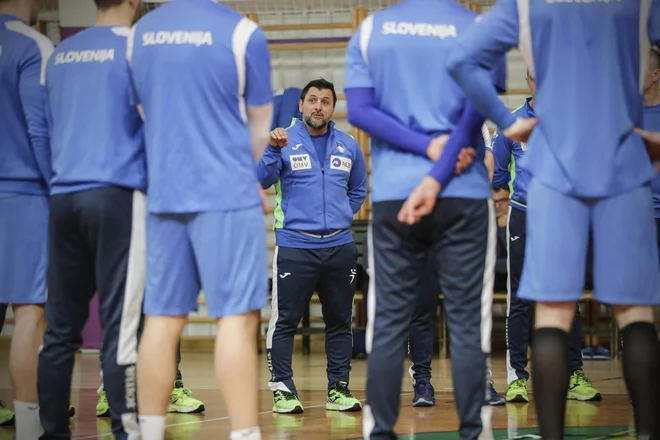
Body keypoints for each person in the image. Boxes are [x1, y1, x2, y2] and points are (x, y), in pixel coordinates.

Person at [415, 2, 660, 439]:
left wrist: (507, 122)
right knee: (634, 312)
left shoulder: (526, 5)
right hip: (623, 160)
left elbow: (460, 60)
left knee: (551, 312)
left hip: (554, 167)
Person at [345, 0, 506, 437]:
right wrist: (444, 154)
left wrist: (423, 147)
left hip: (397, 195)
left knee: (388, 322)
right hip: (464, 192)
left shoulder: (370, 30)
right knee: (467, 322)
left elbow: (359, 111)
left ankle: (380, 433)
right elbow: (483, 103)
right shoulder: (479, 26)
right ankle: (475, 432)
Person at [128, 0, 273, 438]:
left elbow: (141, 113)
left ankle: (149, 431)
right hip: (226, 192)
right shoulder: (243, 33)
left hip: (165, 191)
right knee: (235, 318)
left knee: (162, 319)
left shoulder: (139, 34)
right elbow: (261, 128)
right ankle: (245, 434)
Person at [38, 0, 147, 438]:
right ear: (135, 1)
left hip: (63, 196)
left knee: (59, 329)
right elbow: (154, 123)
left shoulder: (58, 53)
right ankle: (126, 430)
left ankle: (50, 432)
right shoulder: (140, 48)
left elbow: (44, 129)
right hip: (117, 194)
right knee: (121, 327)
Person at [491, 73, 601, 404]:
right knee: (520, 298)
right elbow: (497, 176)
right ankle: (516, 377)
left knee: (568, 297)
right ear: (529, 78)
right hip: (524, 215)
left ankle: (574, 373)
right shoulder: (511, 123)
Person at [259, 78, 367, 414]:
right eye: (312, 100)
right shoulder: (283, 141)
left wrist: (338, 217)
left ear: (333, 108)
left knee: (339, 321)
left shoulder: (348, 145)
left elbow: (359, 189)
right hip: (295, 247)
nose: (318, 106)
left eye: (325, 101)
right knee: (285, 321)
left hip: (340, 248)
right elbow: (261, 180)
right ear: (302, 105)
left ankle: (338, 389)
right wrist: (272, 148)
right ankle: (283, 390)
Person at [0, 0, 53, 437]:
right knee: (30, 312)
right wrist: (60, 188)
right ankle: (30, 427)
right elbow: (39, 128)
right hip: (21, 194)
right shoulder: (30, 44)